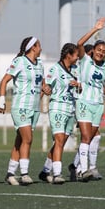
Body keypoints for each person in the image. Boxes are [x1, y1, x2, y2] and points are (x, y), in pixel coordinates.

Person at [69, 17, 105, 182]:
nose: (101, 53)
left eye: (104, 51)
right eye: (98, 50)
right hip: (83, 102)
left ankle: (80, 167)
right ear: (93, 50)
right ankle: (83, 170)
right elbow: (79, 43)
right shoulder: (85, 61)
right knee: (85, 137)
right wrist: (95, 29)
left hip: (98, 105)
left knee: (92, 137)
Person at [0, 36, 49, 186]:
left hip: (34, 108)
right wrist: (2, 101)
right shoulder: (19, 62)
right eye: (39, 46)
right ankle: (24, 174)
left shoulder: (40, 64)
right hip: (20, 107)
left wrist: (46, 89)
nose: (41, 48)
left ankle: (10, 173)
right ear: (33, 47)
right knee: (28, 139)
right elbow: (4, 81)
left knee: (20, 141)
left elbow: (43, 86)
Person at [38, 43, 81, 184]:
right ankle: (57, 174)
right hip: (57, 108)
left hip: (70, 109)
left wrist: (79, 85)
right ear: (68, 55)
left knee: (60, 143)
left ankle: (45, 172)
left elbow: (81, 88)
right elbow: (47, 87)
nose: (77, 57)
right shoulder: (55, 69)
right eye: (75, 55)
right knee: (59, 140)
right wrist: (46, 89)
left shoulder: (76, 69)